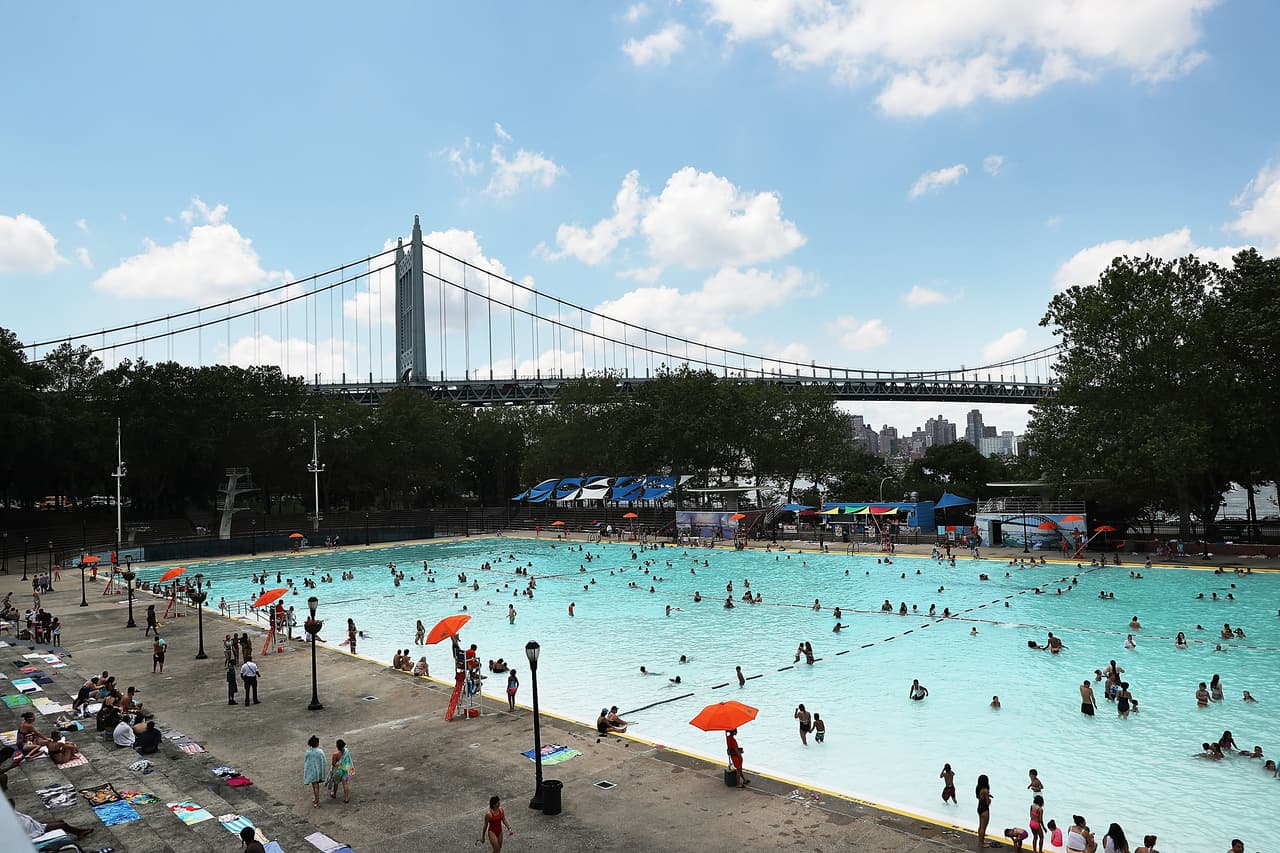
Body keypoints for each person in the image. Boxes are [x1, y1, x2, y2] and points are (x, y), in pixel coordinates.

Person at [11, 800, 94, 842]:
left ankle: (78, 831)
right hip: (33, 831)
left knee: (60, 821)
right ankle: (79, 832)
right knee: (62, 825)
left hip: (33, 825)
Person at [304, 735, 327, 808]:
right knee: (316, 787)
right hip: (318, 772)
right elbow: (324, 762)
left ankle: (317, 803)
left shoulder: (308, 752)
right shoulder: (320, 751)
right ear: (317, 743)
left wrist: (306, 773)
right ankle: (316, 800)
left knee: (315, 787)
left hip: (312, 773)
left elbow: (306, 763)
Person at [329, 738, 354, 803]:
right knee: (345, 784)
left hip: (338, 771)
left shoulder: (335, 754)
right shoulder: (346, 751)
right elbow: (348, 760)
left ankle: (334, 794)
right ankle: (346, 798)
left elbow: (333, 764)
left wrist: (338, 765)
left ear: (337, 746)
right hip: (345, 770)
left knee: (336, 783)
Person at [976, 774, 994, 849]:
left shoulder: (978, 789)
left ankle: (981, 840)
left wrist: (988, 795)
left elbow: (981, 797)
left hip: (979, 808)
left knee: (980, 826)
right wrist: (989, 799)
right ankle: (982, 843)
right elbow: (987, 802)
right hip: (985, 810)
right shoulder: (985, 790)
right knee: (983, 827)